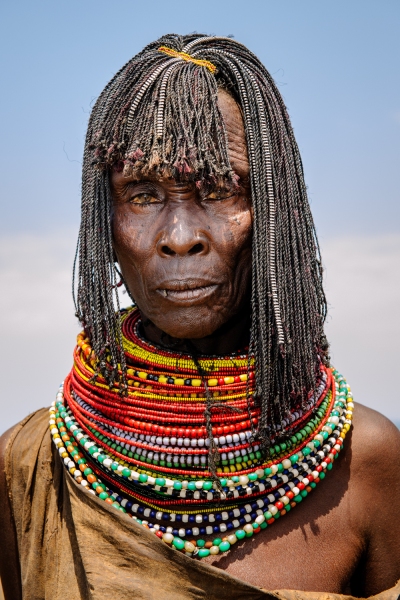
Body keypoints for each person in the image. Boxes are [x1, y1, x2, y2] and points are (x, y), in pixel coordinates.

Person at [0, 34, 399, 600]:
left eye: (218, 189)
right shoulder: (30, 470)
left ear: (273, 209)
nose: (180, 239)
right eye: (141, 194)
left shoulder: (367, 462)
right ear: (102, 223)